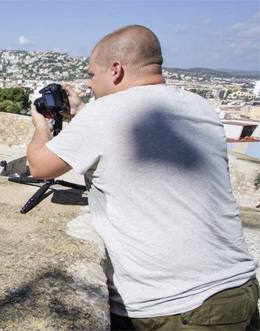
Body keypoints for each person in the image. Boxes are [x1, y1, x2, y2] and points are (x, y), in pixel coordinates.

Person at [27, 25, 258, 330]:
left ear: (116, 70)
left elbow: (38, 166)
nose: (90, 84)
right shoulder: (199, 106)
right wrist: (84, 111)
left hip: (176, 307)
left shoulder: (106, 114)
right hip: (238, 289)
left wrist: (40, 125)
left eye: (92, 74)